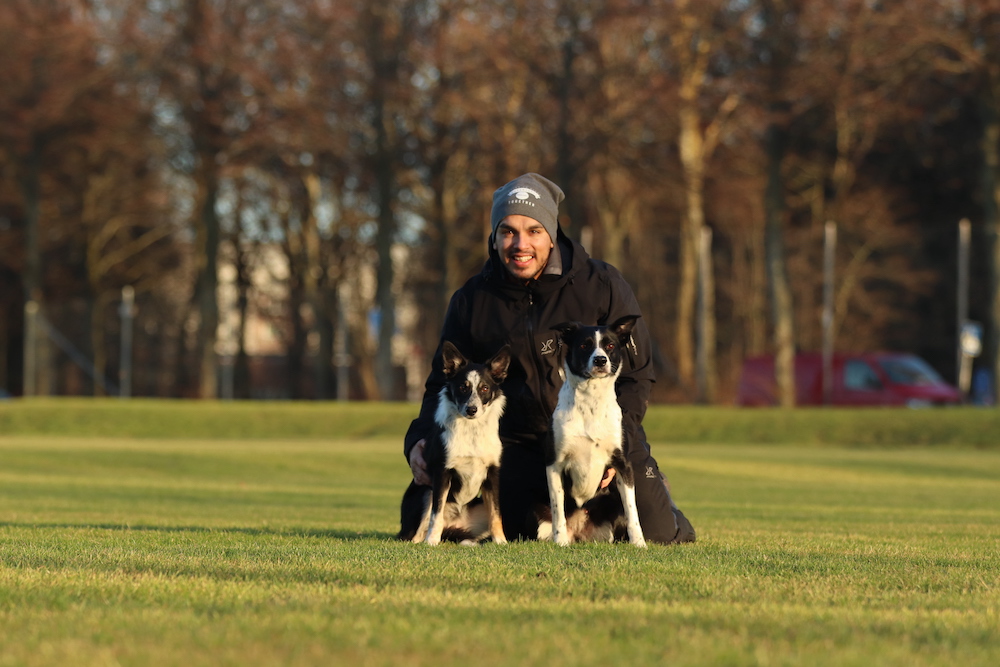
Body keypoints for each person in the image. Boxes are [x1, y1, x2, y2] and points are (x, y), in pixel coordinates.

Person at [403, 173, 695, 544]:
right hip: (524, 446)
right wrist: (416, 441)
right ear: (494, 237)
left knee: (657, 534)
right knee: (515, 530)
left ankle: (663, 505)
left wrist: (619, 439)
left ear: (553, 234)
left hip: (604, 436)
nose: (519, 244)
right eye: (507, 231)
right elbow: (440, 387)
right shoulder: (472, 300)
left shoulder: (601, 284)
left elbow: (637, 377)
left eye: (533, 231)